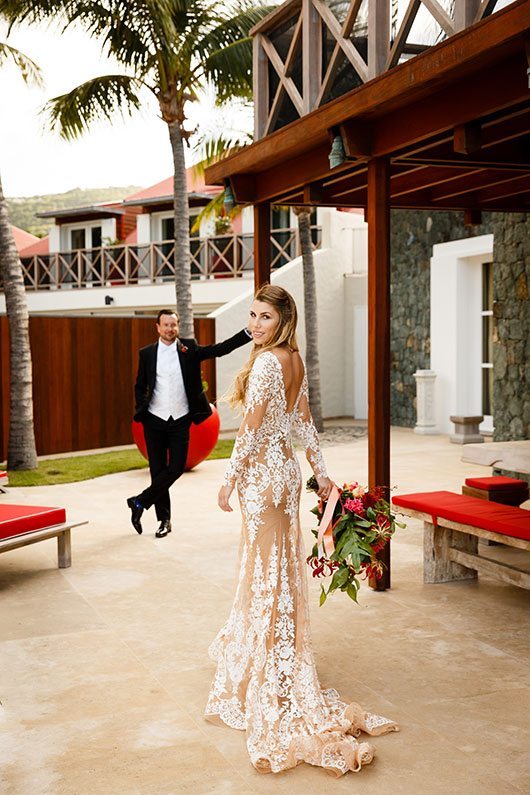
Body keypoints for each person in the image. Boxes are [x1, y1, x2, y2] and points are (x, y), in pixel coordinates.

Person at [205, 285, 398, 776]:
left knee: (265, 572)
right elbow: (306, 425)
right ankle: (276, 653)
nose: (254, 325)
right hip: (285, 477)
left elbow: (250, 429)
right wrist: (320, 471)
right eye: (251, 316)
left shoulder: (270, 363)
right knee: (277, 573)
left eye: (264, 317)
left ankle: (270, 667)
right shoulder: (293, 359)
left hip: (263, 483)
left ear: (283, 319)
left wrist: (228, 482)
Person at [128, 309, 251, 537]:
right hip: (154, 421)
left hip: (180, 420)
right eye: (165, 325)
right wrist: (141, 410)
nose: (170, 329)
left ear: (178, 326)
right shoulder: (147, 354)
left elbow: (219, 349)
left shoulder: (189, 348)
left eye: (173, 325)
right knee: (158, 471)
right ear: (157, 327)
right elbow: (140, 385)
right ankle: (164, 520)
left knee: (175, 468)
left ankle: (139, 502)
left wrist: (247, 333)